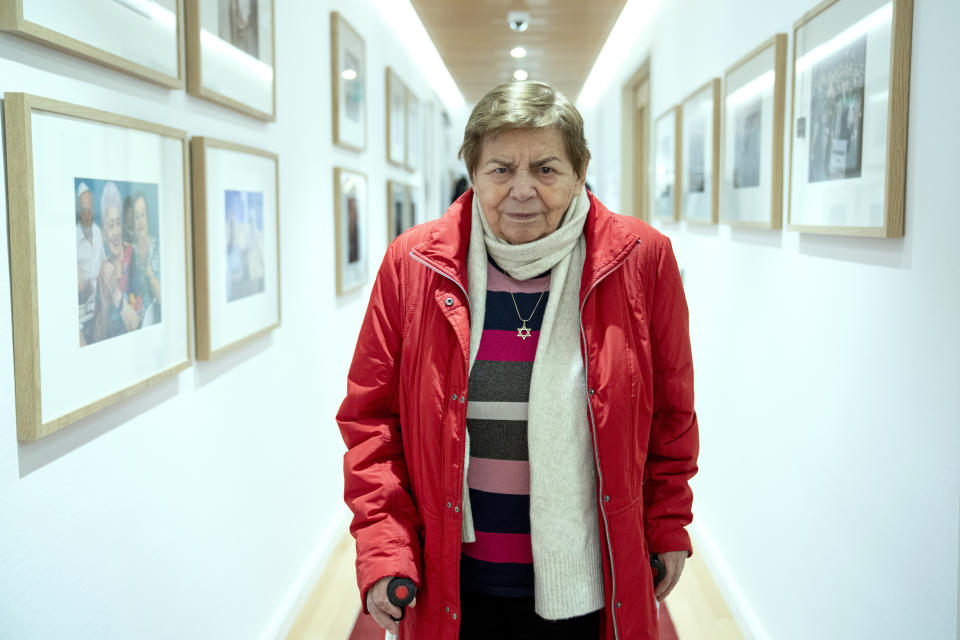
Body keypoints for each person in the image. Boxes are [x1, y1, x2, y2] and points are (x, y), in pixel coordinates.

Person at [337, 80, 699, 640]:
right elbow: (371, 422)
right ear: (473, 175)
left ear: (580, 174)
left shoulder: (642, 261)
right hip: (456, 583)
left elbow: (673, 414)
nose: (522, 190)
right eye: (500, 169)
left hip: (592, 579)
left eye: (547, 169)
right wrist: (386, 545)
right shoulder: (412, 266)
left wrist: (668, 523)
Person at [89, 181, 141, 343]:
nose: (116, 232)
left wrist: (115, 294)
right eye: (111, 226)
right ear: (104, 234)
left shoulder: (133, 255)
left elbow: (138, 324)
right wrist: (104, 307)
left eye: (118, 224)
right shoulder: (102, 271)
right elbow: (97, 339)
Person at [76, 182, 103, 343]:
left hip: (99, 313)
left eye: (90, 211)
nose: (87, 215)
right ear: (79, 211)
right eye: (84, 211)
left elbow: (103, 261)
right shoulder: (72, 236)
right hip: (81, 320)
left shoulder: (98, 232)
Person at [131, 191, 162, 326]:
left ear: (148, 218)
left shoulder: (158, 247)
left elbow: (162, 297)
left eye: (142, 215)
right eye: (136, 216)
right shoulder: (129, 252)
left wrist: (146, 265)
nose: (140, 221)